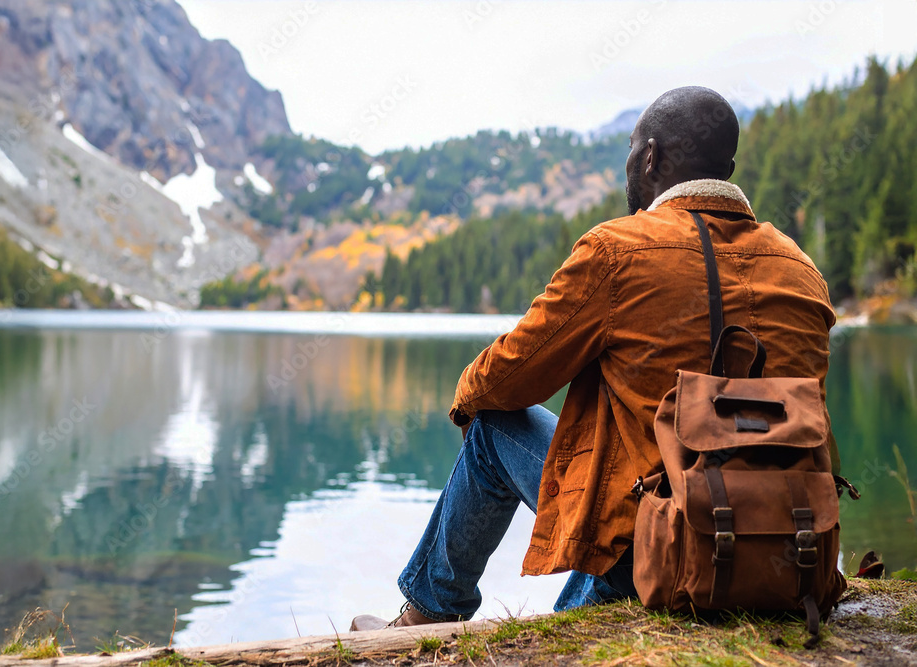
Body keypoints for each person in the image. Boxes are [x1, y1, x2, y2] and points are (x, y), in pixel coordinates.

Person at [350, 86, 839, 631]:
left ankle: (428, 613)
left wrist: (466, 397)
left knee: (493, 424)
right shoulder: (799, 267)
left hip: (662, 548)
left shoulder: (618, 250)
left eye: (631, 150)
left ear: (650, 158)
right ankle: (583, 599)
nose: (627, 165)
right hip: (790, 547)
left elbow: (512, 373)